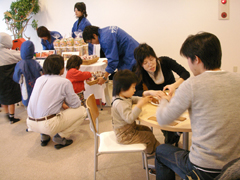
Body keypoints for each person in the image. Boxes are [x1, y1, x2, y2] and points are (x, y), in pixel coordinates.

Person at [155, 32, 240, 180]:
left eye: (188, 59)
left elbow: (163, 119)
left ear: (196, 59)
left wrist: (165, 99)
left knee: (161, 150)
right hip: (235, 166)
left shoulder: (192, 85)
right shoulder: (237, 79)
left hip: (204, 168)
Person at [134, 43, 190, 145]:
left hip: (173, 96)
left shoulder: (165, 61)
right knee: (164, 120)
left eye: (151, 59)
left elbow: (186, 74)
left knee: (181, 116)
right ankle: (173, 139)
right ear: (140, 64)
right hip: (156, 102)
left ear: (155, 57)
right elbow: (136, 92)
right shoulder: (139, 71)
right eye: (145, 63)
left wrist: (173, 85)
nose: (150, 64)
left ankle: (172, 140)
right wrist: (150, 92)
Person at [26, 54, 87, 149]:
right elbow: (76, 104)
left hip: (30, 122)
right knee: (83, 110)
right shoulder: (64, 82)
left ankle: (44, 136)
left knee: (46, 110)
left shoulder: (39, 79)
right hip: (48, 124)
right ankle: (61, 136)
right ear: (61, 68)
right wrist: (63, 102)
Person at [111, 69, 160, 154]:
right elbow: (129, 119)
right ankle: (153, 153)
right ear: (123, 88)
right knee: (149, 136)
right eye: (133, 87)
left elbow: (133, 99)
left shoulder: (124, 96)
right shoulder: (119, 103)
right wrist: (139, 105)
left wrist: (144, 99)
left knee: (147, 129)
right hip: (124, 135)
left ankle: (157, 149)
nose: (135, 90)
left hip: (130, 129)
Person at [0, 32, 22, 124]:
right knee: (11, 99)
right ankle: (12, 117)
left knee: (3, 97)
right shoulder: (9, 53)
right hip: (9, 79)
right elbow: (22, 56)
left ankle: (6, 113)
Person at [13, 40, 42, 107]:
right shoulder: (36, 63)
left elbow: (17, 78)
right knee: (37, 101)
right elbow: (41, 74)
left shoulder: (19, 64)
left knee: (27, 101)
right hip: (37, 86)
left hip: (25, 86)